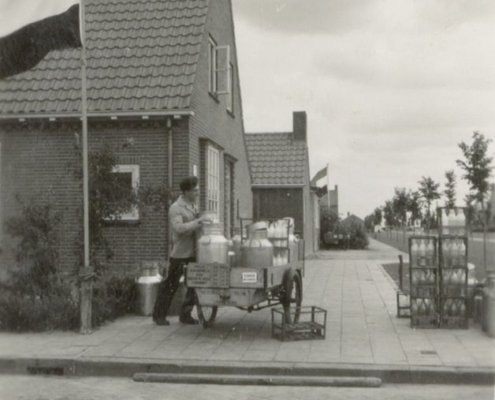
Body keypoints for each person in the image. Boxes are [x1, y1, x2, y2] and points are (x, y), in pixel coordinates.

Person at [152, 176, 210, 326]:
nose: (197, 192)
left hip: (194, 252)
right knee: (171, 284)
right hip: (180, 253)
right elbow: (179, 229)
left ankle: (185, 315)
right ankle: (158, 316)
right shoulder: (176, 208)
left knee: (193, 284)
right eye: (194, 190)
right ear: (185, 192)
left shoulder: (193, 205)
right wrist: (198, 222)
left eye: (197, 189)